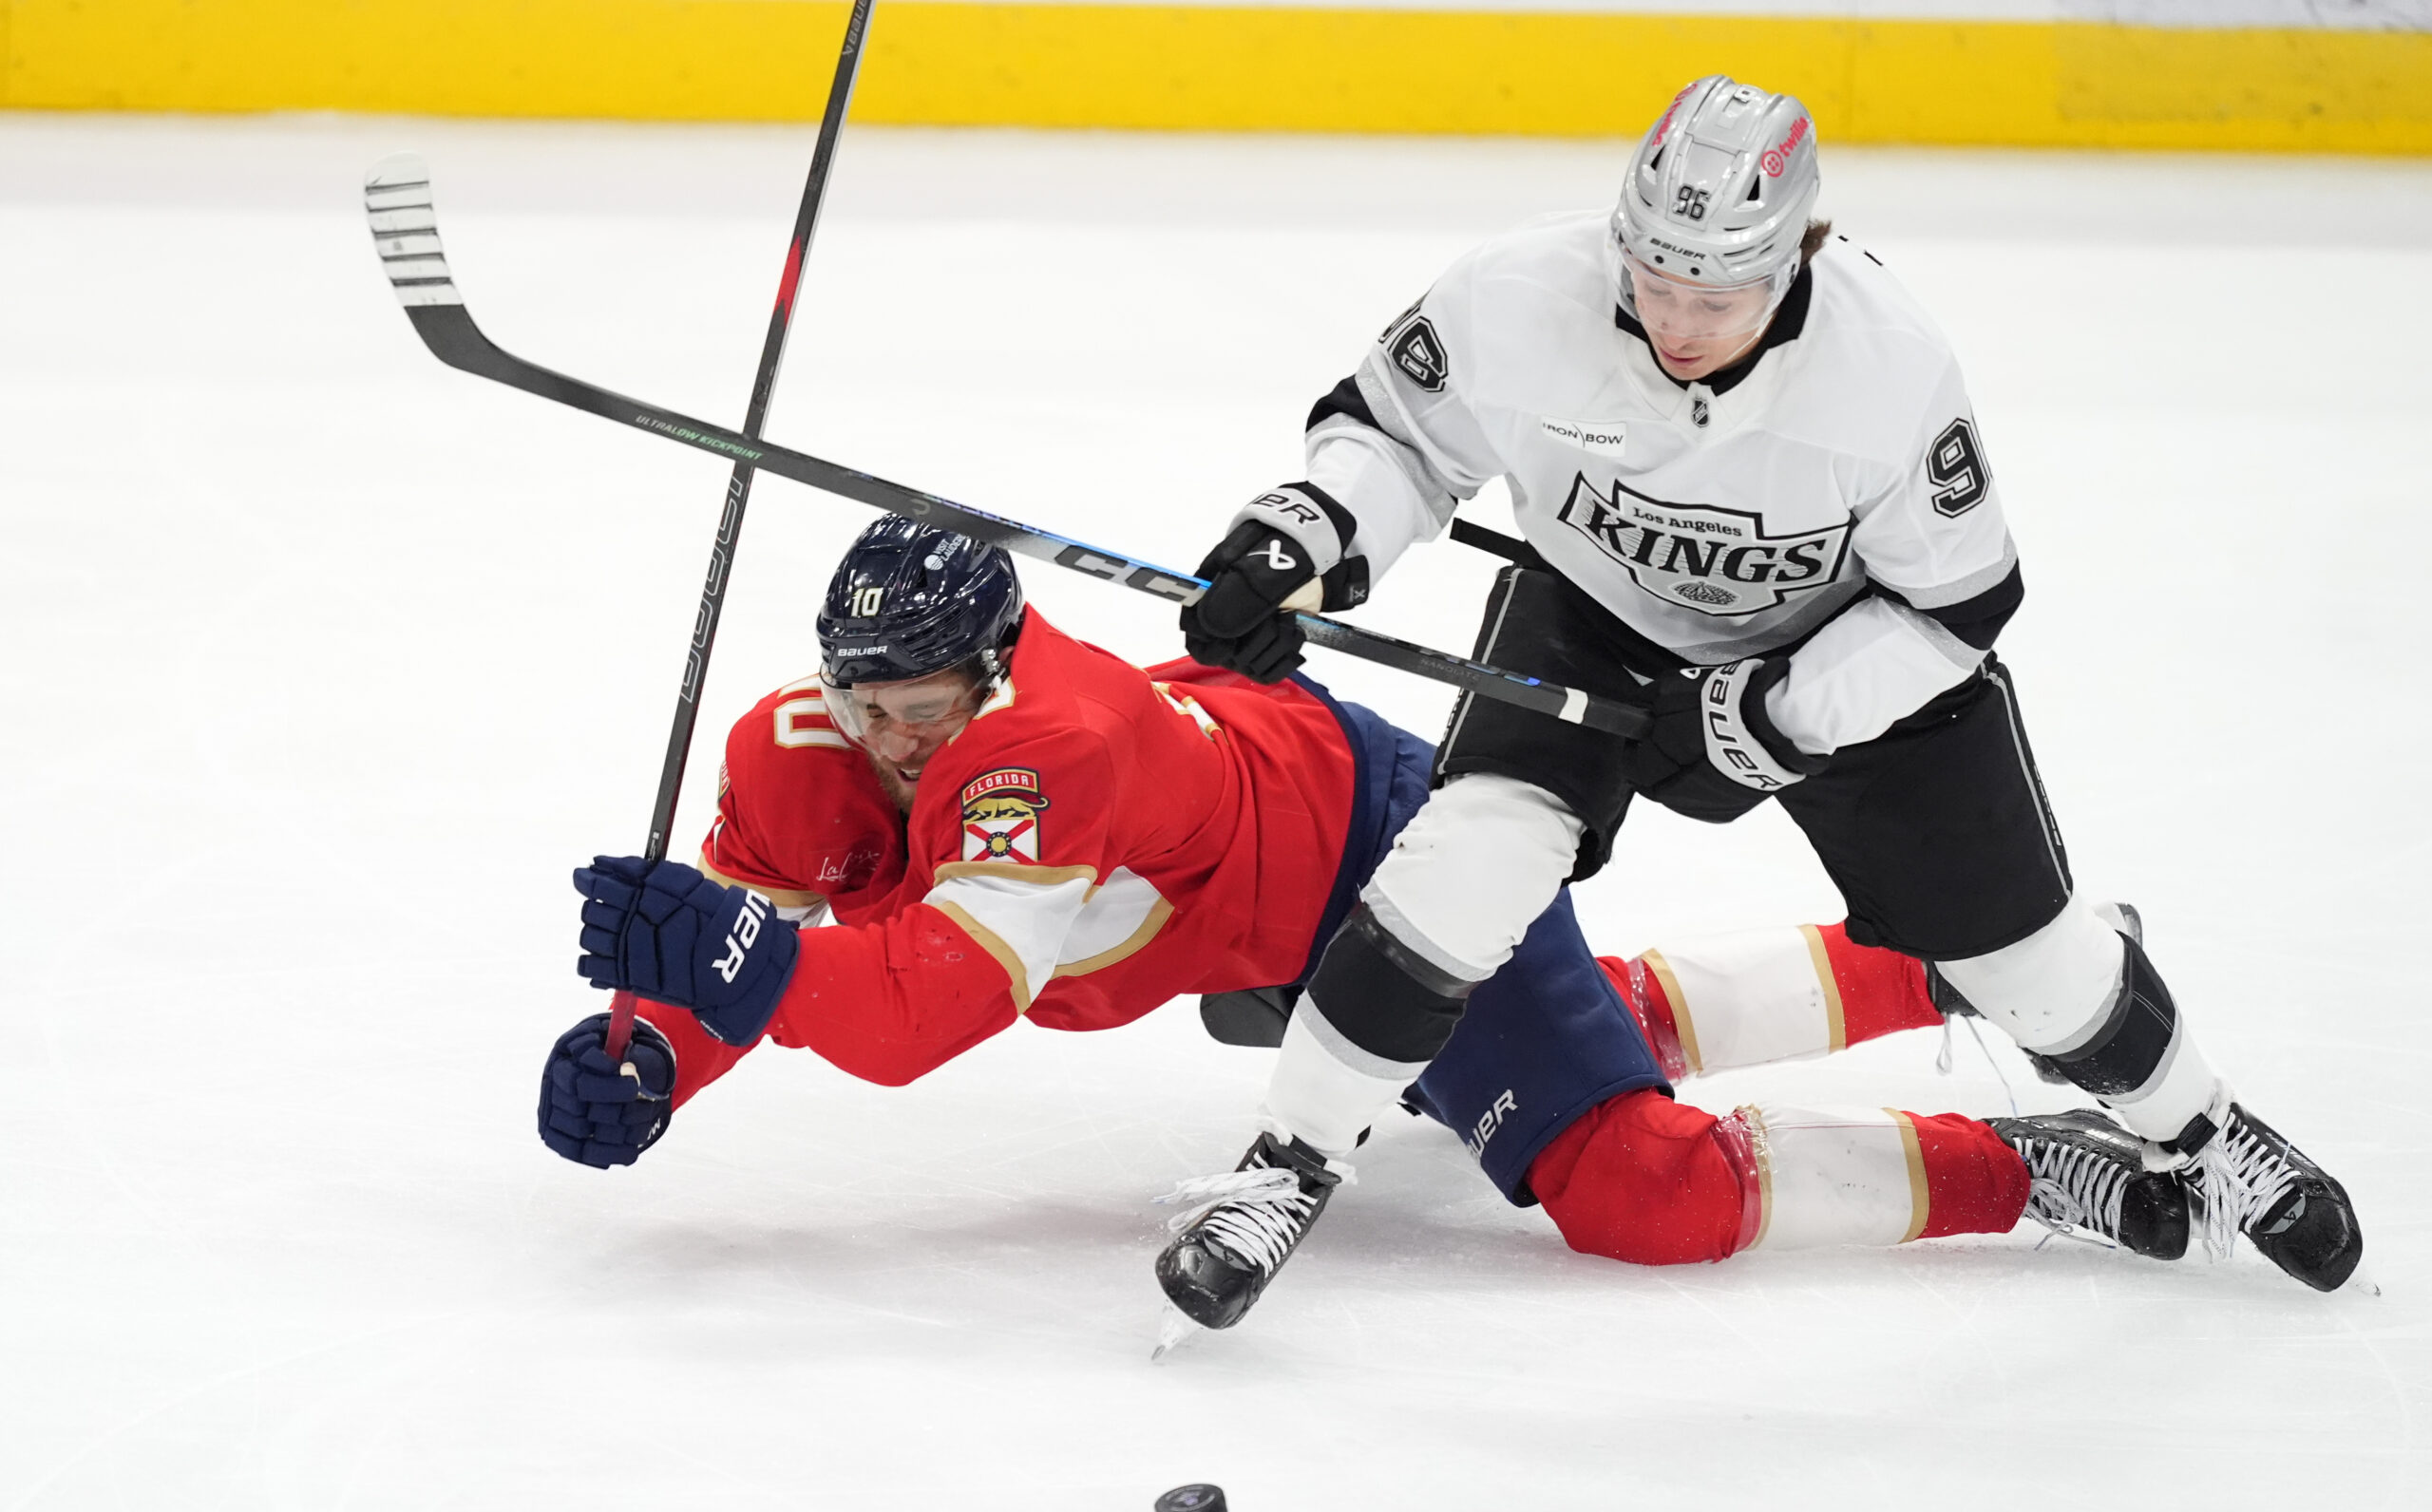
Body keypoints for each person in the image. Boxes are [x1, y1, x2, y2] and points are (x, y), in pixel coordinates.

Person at [1169, 73, 2362, 1321]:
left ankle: (2204, 1132)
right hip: (1597, 617)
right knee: (1459, 871)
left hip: (1850, 650)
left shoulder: (1887, 368)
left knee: (2033, 970)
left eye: (1718, 296)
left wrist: (1776, 717)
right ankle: (1286, 1165)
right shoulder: (1516, 293)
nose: (1676, 322)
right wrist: (1305, 534)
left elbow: (1956, 609)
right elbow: (1395, 437)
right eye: (1654, 279)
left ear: (1798, 257)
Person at [548, 518, 2196, 1326]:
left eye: (925, 710)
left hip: (1378, 850)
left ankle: (2029, 1160)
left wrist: (733, 968)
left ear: (992, 672)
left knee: (1638, 1186)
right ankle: (1942, 964)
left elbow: (915, 1012)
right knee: (1581, 1027)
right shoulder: (798, 746)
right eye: (867, 706)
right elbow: (745, 940)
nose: (895, 744)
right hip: (1251, 897)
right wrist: (659, 1049)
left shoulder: (1045, 747)